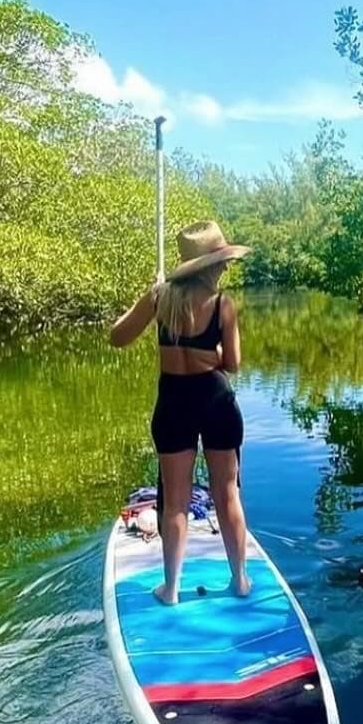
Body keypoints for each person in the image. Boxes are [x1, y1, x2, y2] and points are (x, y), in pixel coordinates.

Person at [110, 220, 252, 604]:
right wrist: (210, 353)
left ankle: (170, 589)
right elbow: (234, 364)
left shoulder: (161, 299)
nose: (225, 267)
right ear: (209, 265)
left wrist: (151, 295)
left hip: (174, 401)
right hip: (216, 399)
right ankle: (239, 580)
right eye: (221, 261)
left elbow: (116, 337)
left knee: (174, 501)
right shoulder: (223, 305)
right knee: (227, 494)